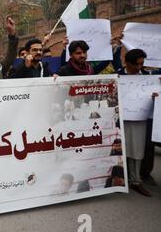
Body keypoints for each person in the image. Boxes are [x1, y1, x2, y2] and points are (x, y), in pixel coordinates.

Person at [117, 49, 157, 197]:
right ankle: (121, 179)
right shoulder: (117, 75)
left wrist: (156, 95)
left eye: (142, 63)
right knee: (121, 148)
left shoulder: (148, 77)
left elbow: (155, 98)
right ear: (127, 63)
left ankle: (136, 181)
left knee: (137, 150)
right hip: (121, 119)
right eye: (136, 64)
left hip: (140, 119)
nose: (140, 67)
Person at [58, 39, 122, 76]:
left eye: (84, 52)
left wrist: (114, 48)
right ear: (70, 55)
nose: (82, 55)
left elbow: (105, 63)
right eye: (78, 53)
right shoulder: (64, 71)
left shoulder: (89, 69)